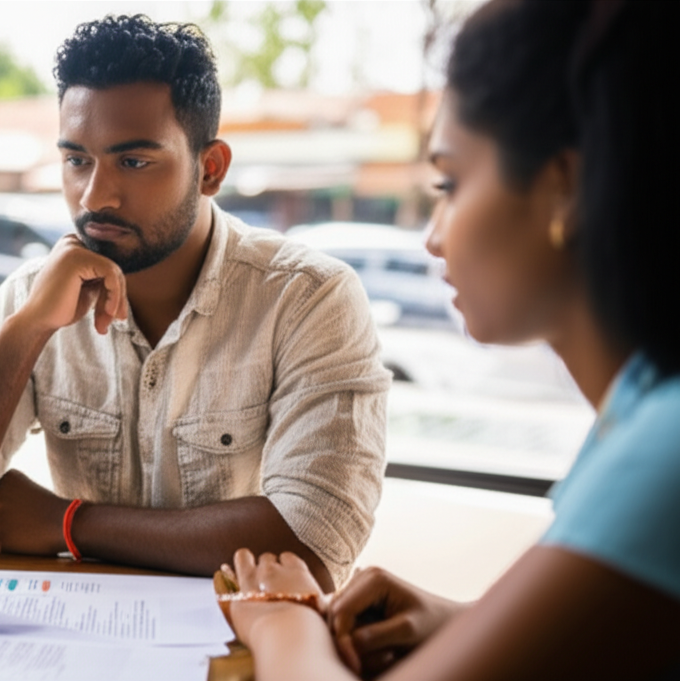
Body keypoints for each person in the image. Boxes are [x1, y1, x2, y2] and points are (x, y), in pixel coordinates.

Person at [226, 0, 680, 678]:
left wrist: (283, 622)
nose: (432, 235)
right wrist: (461, 619)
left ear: (566, 186)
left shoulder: (663, 449)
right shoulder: (644, 404)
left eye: (450, 183)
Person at [0, 15, 390, 591]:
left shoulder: (308, 298)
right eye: (77, 160)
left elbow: (314, 546)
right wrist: (27, 331)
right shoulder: (32, 297)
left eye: (133, 161)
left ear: (210, 169)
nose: (95, 195)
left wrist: (68, 524)